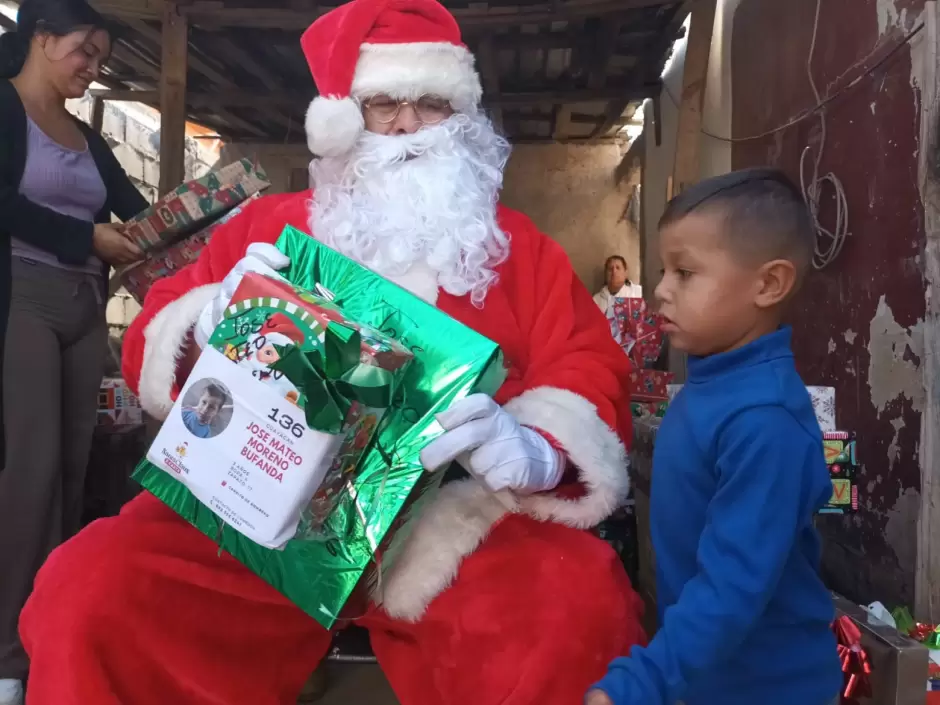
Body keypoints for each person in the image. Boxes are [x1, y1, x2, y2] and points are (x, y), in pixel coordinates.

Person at [19, 1, 647, 704]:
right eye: (384, 103)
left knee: (577, 607)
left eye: (432, 103)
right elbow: (153, 336)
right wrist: (205, 326)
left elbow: (589, 367)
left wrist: (537, 445)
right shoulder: (270, 226)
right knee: (90, 589)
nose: (408, 124)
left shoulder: (518, 247)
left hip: (450, 527)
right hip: (260, 520)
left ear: (463, 118)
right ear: (346, 116)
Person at [586, 169, 841, 705]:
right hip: (713, 675)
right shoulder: (713, 383)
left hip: (768, 686)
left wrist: (641, 683)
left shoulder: (763, 420)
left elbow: (731, 586)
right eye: (662, 269)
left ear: (768, 284)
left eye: (684, 272)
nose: (660, 289)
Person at [0, 0, 146, 701]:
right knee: (28, 470)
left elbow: (138, 212)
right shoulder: (4, 111)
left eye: (102, 57)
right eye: (84, 50)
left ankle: (50, 630)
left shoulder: (91, 140)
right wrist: (85, 238)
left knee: (73, 469)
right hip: (21, 298)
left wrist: (207, 220)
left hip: (86, 309)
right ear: (42, 37)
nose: (94, 67)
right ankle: (6, 654)